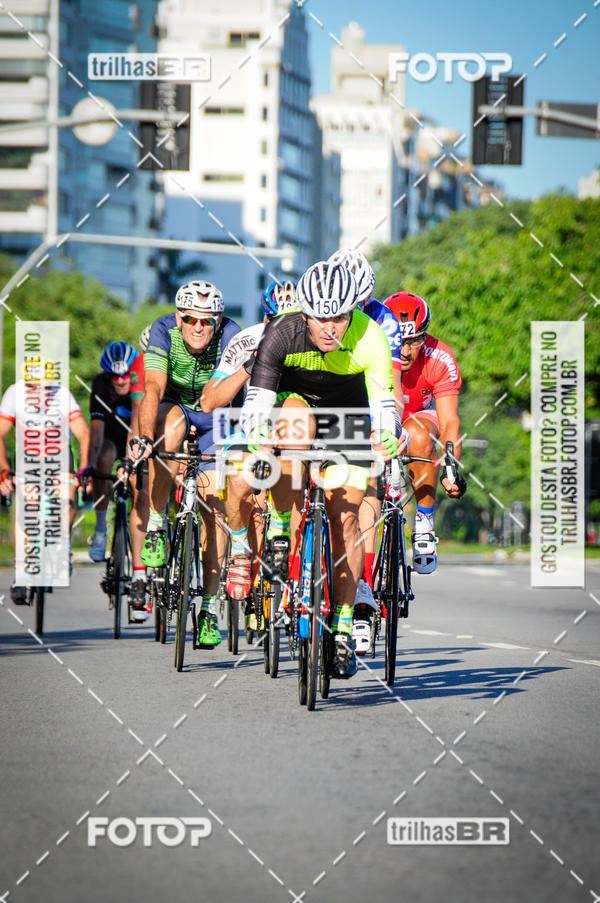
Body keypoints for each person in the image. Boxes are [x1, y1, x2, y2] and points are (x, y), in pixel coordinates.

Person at [238, 260, 406, 679]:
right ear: (305, 313)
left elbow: (384, 402)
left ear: (353, 312)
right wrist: (259, 436)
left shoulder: (370, 336)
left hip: (347, 417)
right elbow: (257, 402)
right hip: (299, 405)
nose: (331, 328)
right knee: (291, 425)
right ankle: (279, 526)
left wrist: (386, 436)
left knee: (346, 521)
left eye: (341, 317)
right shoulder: (282, 333)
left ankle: (344, 625)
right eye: (321, 318)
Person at [130, 280, 240, 648]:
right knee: (171, 427)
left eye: (206, 321)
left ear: (218, 321)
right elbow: (154, 389)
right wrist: (147, 438)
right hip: (175, 406)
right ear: (179, 317)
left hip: (217, 415)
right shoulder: (164, 331)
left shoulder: (231, 335)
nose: (198, 327)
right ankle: (158, 523)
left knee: (214, 507)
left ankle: (209, 608)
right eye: (190, 319)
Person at [327, 248, 405, 653]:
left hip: (368, 400)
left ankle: (362, 591)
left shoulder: (382, 321)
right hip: (323, 400)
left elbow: (389, 387)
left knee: (370, 482)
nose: (345, 313)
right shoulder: (317, 305)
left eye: (356, 303)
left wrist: (388, 436)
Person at [384, 291, 466, 573]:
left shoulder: (439, 357)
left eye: (415, 341)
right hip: (381, 417)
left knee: (418, 435)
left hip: (421, 418)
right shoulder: (371, 346)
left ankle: (424, 520)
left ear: (425, 337)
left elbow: (450, 422)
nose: (406, 351)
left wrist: (452, 469)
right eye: (401, 341)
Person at [0, 370, 90, 604]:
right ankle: (21, 573)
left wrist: (81, 472)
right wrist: (4, 471)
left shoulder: (62, 395)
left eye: (45, 387)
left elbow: (83, 434)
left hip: (59, 454)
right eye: (33, 387)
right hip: (28, 455)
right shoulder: (14, 394)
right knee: (26, 503)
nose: (39, 392)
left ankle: (63, 544)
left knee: (67, 495)